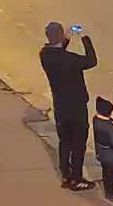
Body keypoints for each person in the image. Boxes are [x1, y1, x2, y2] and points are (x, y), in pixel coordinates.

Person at [40, 21, 99, 191]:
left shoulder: (44, 54)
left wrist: (65, 39)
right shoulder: (70, 60)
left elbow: (57, 51)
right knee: (78, 145)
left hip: (60, 107)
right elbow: (91, 61)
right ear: (60, 36)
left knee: (64, 142)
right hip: (77, 108)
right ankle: (77, 179)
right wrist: (84, 37)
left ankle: (66, 175)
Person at [93, 96, 113, 201]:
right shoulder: (109, 127)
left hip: (101, 152)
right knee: (112, 174)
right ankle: (112, 193)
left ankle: (108, 190)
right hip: (110, 155)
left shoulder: (95, 120)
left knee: (105, 172)